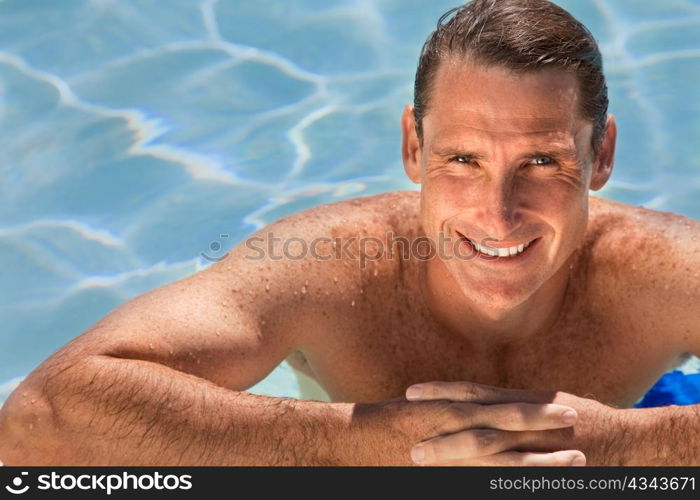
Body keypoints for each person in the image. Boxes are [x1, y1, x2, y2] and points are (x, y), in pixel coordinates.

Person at [0, 0, 698, 466]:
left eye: (541, 161)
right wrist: (369, 444)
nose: (498, 212)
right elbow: (39, 417)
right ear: (412, 146)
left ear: (601, 155)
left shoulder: (662, 270)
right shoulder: (327, 267)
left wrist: (632, 445)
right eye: (461, 159)